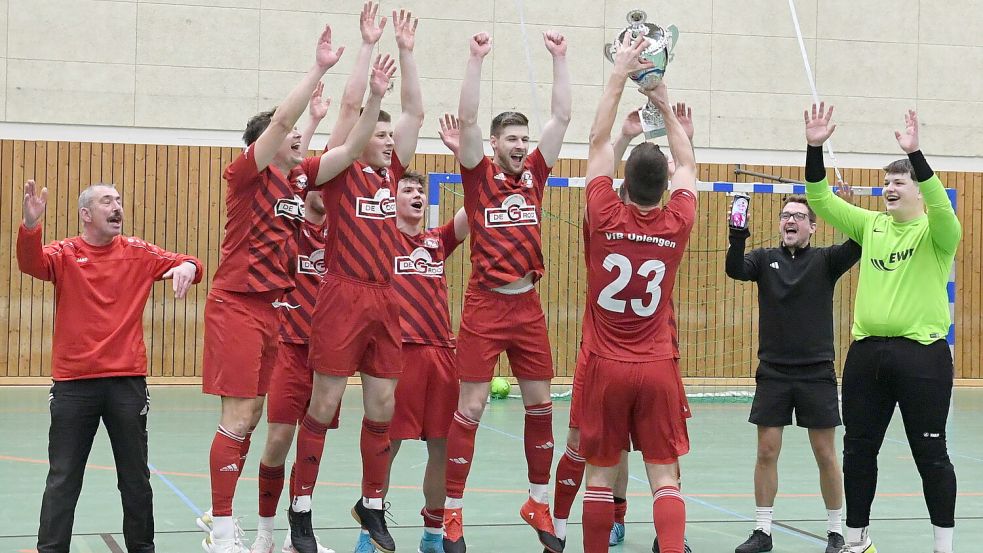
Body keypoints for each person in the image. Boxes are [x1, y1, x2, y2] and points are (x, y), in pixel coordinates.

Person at [199, 25, 345, 553]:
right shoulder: (247, 175)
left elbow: (333, 150)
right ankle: (219, 528)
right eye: (292, 138)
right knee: (238, 418)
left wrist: (346, 104)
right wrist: (319, 67)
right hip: (236, 305)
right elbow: (282, 122)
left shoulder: (293, 182)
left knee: (252, 416)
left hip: (272, 314)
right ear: (266, 145)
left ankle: (222, 518)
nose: (299, 139)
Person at [288, 9, 422, 553]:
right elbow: (348, 112)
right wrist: (368, 60)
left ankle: (371, 502)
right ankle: (301, 507)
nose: (389, 142)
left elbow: (415, 109)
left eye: (392, 136)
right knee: (324, 403)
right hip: (342, 294)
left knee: (383, 405)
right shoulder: (339, 171)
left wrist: (407, 52)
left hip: (386, 298)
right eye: (381, 134)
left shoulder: (392, 174)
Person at [803, 104, 961, 553]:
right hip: (867, 355)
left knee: (931, 454)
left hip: (923, 357)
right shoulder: (871, 224)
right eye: (886, 182)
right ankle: (856, 540)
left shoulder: (937, 231)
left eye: (899, 181)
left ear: (917, 190)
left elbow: (939, 203)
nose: (889, 188)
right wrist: (814, 148)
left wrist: (917, 155)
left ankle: (942, 546)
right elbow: (819, 199)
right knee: (858, 451)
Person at [18, 180, 202, 553]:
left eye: (118, 200)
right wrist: (31, 226)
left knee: (135, 479)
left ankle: (142, 548)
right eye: (107, 201)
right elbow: (31, 264)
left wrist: (187, 266)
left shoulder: (138, 251)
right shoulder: (66, 252)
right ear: (86, 215)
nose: (117, 206)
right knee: (63, 479)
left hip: (126, 383)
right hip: (73, 385)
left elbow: (191, 263)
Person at [441, 29, 572, 553]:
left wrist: (561, 59)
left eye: (524, 139)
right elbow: (468, 119)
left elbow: (561, 118)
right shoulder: (479, 178)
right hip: (484, 305)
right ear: (495, 147)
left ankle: (537, 499)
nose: (521, 146)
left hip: (528, 306)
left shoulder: (537, 176)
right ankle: (452, 511)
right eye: (512, 140)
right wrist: (474, 60)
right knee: (470, 407)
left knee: (541, 406)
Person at [552, 106, 696, 553]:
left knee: (599, 472)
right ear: (665, 187)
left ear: (623, 185)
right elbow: (688, 165)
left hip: (605, 364)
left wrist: (621, 71)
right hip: (656, 363)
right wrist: (664, 98)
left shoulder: (605, 216)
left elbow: (597, 145)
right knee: (664, 475)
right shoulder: (678, 221)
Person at [726, 191, 861, 553]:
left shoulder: (826, 260)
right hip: (773, 372)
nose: (790, 220)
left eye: (799, 216)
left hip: (816, 372)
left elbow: (859, 242)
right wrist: (737, 234)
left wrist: (845, 210)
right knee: (766, 451)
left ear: (813, 228)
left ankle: (836, 531)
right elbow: (735, 269)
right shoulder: (764, 258)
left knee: (826, 454)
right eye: (786, 215)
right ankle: (763, 531)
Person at [351, 162, 469, 553]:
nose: (417, 196)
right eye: (407, 191)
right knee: (388, 444)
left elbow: (477, 209)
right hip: (398, 356)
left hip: (441, 354)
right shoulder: (380, 241)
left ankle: (433, 534)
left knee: (442, 446)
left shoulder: (438, 239)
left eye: (420, 191)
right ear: (392, 199)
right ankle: (370, 528)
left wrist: (478, 162)